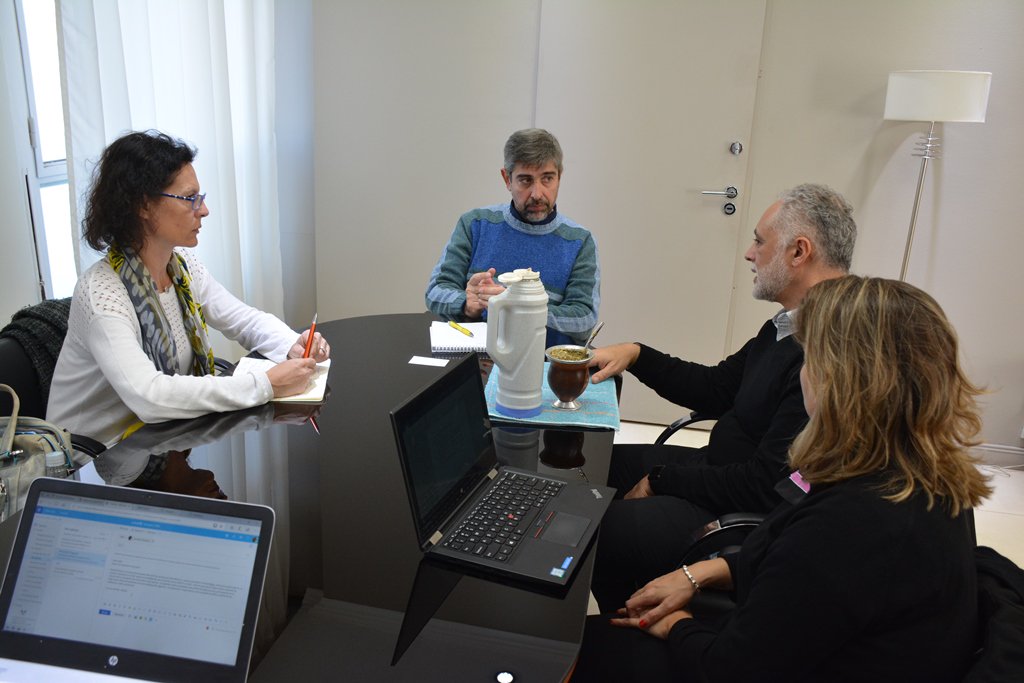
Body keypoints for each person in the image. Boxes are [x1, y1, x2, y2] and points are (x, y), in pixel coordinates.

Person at [574, 275, 991, 682]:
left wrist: (678, 624)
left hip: (742, 661)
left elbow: (730, 667)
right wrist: (704, 573)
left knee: (579, 654)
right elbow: (796, 572)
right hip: (806, 645)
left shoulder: (850, 524)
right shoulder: (921, 473)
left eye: (809, 357)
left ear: (841, 379)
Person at [589, 184, 856, 611]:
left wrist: (661, 480)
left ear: (799, 252)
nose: (750, 253)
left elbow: (768, 485)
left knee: (591, 527)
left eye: (759, 240)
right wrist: (636, 355)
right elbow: (716, 389)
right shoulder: (787, 326)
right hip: (717, 470)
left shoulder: (826, 350)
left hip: (742, 514)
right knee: (593, 463)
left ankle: (628, 627)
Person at [48, 130, 330, 447]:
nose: (204, 210)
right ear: (143, 205)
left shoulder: (181, 267)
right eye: (190, 199)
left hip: (155, 442)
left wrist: (292, 345)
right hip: (94, 459)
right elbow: (149, 396)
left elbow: (245, 321)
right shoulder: (102, 293)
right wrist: (265, 385)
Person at [425, 128, 599, 346]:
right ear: (507, 179)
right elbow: (435, 292)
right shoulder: (475, 224)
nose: (537, 193)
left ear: (559, 177)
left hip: (542, 366)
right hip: (476, 361)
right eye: (525, 180)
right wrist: (467, 303)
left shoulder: (579, 241)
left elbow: (583, 319)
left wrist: (517, 306)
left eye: (547, 179)